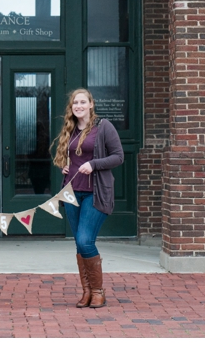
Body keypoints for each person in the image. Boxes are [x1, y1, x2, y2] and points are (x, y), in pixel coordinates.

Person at [52, 88, 124, 308]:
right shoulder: (71, 129)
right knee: (79, 244)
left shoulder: (104, 127)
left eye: (83, 102)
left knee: (85, 241)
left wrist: (93, 164)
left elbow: (118, 157)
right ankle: (86, 292)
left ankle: (98, 290)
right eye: (75, 103)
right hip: (72, 193)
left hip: (96, 193)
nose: (79, 106)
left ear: (91, 104)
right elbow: (69, 157)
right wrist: (64, 166)